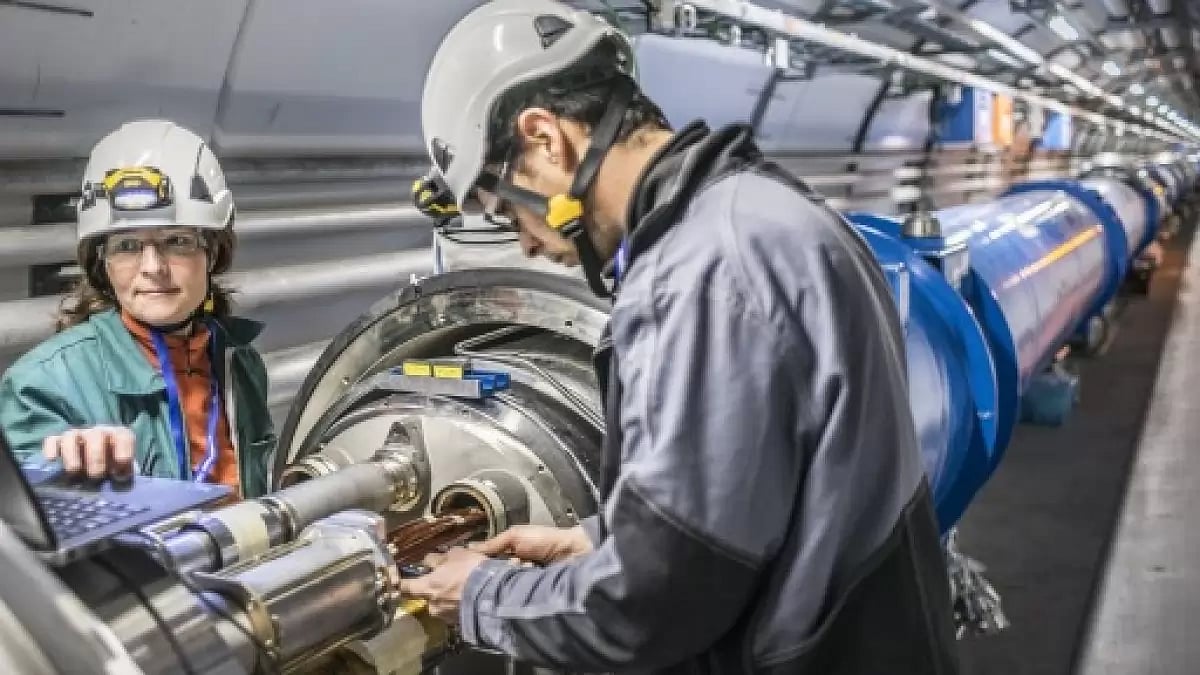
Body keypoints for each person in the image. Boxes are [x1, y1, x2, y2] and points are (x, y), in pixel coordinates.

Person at [400, 1, 960, 673]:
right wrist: (596, 541)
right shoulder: (759, 210)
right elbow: (755, 499)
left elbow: (651, 604)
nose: (525, 240)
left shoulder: (700, 273)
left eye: (503, 205)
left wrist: (482, 596)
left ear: (546, 138)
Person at [0, 120, 276, 499]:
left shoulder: (238, 361)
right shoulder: (43, 384)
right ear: (103, 264)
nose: (153, 267)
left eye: (177, 241)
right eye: (127, 246)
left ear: (212, 253)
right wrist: (62, 474)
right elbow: (20, 514)